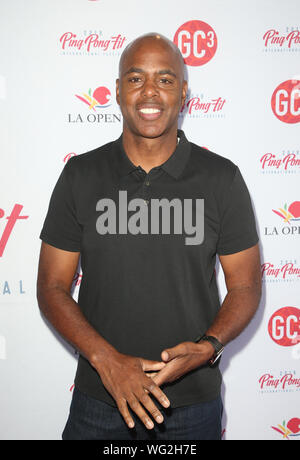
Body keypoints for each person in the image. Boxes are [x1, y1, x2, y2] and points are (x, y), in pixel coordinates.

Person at [37, 33, 262, 440]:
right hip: (100, 400)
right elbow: (51, 287)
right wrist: (108, 362)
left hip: (191, 407)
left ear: (184, 92)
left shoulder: (221, 178)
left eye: (165, 79)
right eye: (136, 78)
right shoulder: (80, 176)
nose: (150, 92)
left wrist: (209, 346)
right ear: (118, 90)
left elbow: (245, 285)